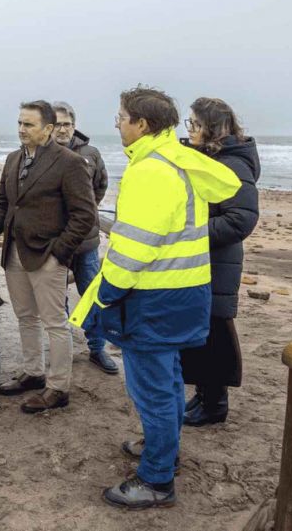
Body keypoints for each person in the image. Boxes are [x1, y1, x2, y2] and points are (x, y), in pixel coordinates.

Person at [69, 86, 239, 510]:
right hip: (182, 294)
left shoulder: (150, 171)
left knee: (153, 391)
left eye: (121, 116)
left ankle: (157, 478)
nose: (116, 123)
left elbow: (133, 250)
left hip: (153, 299)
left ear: (141, 124)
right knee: (168, 381)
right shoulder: (179, 162)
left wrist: (104, 295)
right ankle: (165, 450)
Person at [0, 100, 97, 414]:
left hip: (47, 255)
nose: (21, 129)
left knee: (55, 323)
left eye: (28, 124)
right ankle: (33, 372)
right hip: (13, 253)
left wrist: (59, 253)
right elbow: (3, 203)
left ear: (48, 128)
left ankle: (58, 387)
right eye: (19, 123)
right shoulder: (13, 158)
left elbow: (84, 215)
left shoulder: (70, 162)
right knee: (25, 317)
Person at [179, 98, 260, 426]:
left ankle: (215, 403)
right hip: (205, 259)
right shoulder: (212, 157)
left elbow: (241, 220)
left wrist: (190, 232)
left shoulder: (232, 164)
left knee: (215, 332)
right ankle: (204, 395)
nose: (190, 131)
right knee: (203, 331)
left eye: (194, 125)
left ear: (210, 128)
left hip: (217, 261)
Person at [51, 101, 117, 375]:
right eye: (57, 124)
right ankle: (61, 348)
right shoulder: (41, 154)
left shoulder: (90, 153)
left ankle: (97, 348)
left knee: (93, 295)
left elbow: (100, 186)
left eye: (67, 124)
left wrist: (85, 213)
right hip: (54, 241)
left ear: (74, 126)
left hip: (87, 241)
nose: (62, 129)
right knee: (57, 297)